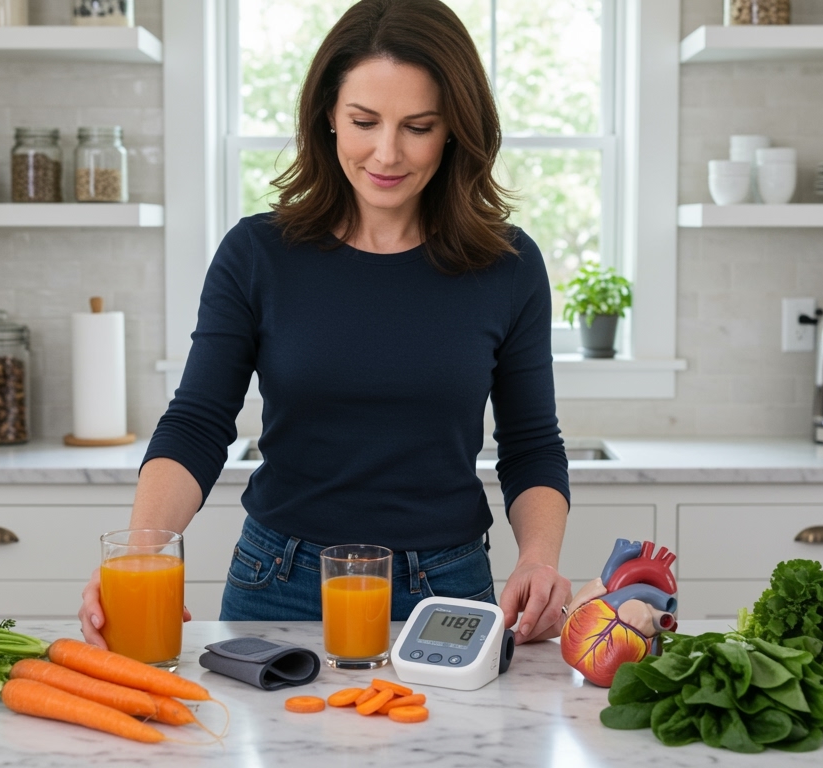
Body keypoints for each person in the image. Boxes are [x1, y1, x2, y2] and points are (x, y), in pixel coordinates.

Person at [79, 0, 571, 647]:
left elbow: (531, 442)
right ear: (328, 118)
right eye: (364, 121)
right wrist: (141, 552)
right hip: (279, 579)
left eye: (417, 126)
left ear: (454, 128)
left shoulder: (508, 265)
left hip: (447, 587)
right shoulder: (258, 254)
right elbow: (198, 422)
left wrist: (537, 560)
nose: (387, 152)